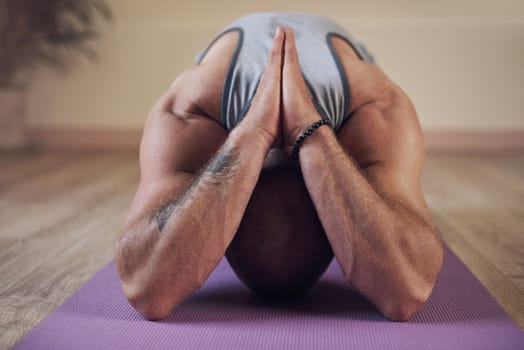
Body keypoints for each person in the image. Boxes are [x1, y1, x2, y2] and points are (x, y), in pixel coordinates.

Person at [114, 12, 443, 321]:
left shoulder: (198, 109)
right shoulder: (194, 106)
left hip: (310, 59)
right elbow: (144, 289)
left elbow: (408, 291)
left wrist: (303, 127)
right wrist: (256, 130)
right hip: (263, 62)